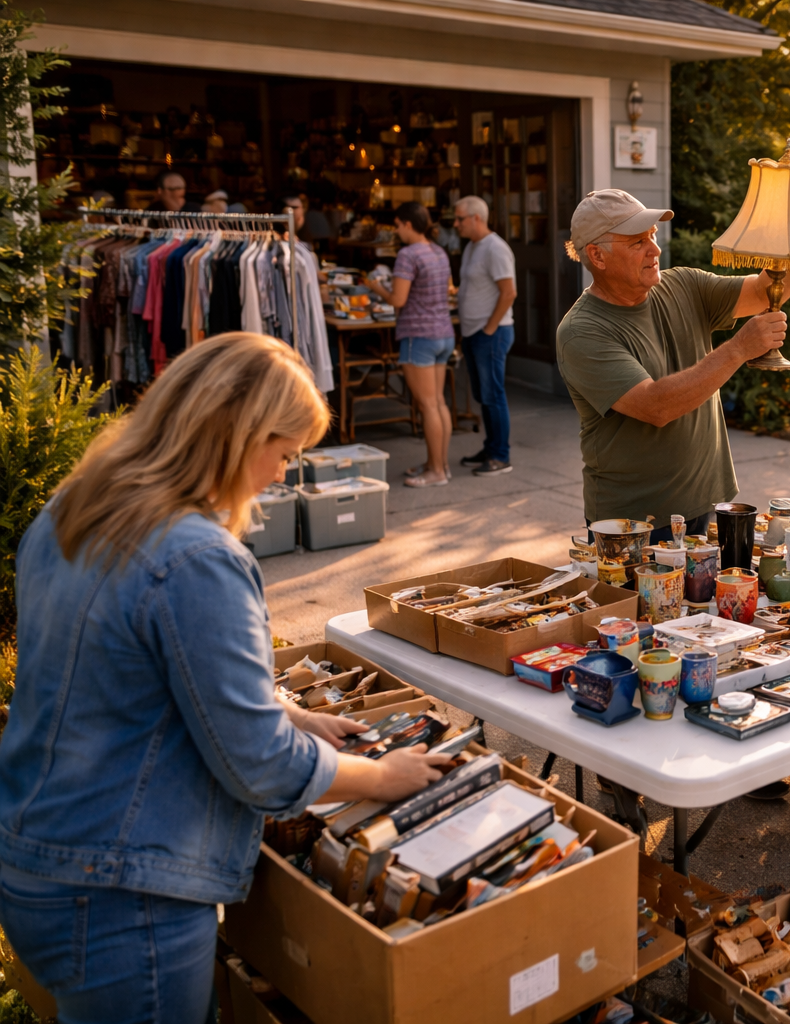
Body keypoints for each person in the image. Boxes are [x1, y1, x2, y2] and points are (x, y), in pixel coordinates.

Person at [0, 333, 449, 1020]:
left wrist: (292, 714)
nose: (281, 475)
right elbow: (262, 766)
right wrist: (383, 777)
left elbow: (128, 676)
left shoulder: (76, 507)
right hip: (126, 893)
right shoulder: (197, 556)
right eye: (285, 452)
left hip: (45, 858)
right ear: (239, 436)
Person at [556, 186, 790, 533]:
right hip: (633, 522)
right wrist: (738, 348)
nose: (655, 249)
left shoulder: (683, 284)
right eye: (637, 242)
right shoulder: (581, 332)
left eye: (652, 235)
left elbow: (764, 292)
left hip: (708, 501)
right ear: (597, 256)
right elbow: (656, 406)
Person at [367, 201, 456, 487]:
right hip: (443, 332)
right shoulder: (439, 251)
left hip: (418, 336)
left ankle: (436, 471)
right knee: (438, 402)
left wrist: (374, 286)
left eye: (396, 226)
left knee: (427, 405)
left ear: (407, 224)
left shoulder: (407, 255)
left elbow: (398, 299)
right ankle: (439, 464)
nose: (395, 231)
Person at [453, 195, 517, 477]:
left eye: (460, 219)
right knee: (483, 394)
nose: (456, 224)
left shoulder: (495, 248)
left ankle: (501, 456)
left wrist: (489, 329)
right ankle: (491, 448)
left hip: (491, 333)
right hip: (474, 332)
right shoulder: (471, 246)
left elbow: (509, 293)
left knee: (493, 395)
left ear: (476, 218)